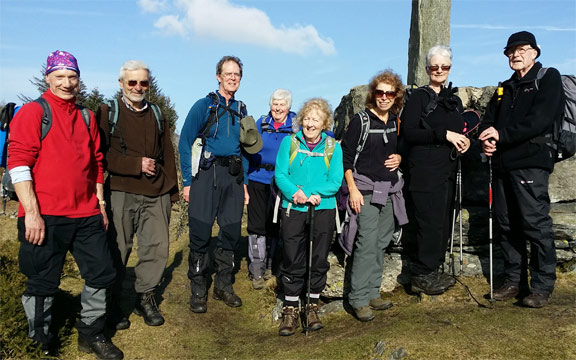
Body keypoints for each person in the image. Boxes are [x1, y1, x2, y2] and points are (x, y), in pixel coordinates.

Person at [7, 50, 123, 359]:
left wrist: (99, 203)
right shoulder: (33, 113)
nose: (67, 83)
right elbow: (18, 164)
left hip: (86, 213)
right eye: (60, 77)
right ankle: (38, 342)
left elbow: (97, 163)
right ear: (48, 78)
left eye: (72, 77)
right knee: (42, 281)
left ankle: (91, 333)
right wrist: (31, 213)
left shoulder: (85, 116)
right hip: (44, 214)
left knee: (101, 273)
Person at [478, 31, 563, 308]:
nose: (515, 54)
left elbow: (540, 120)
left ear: (534, 52)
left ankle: (541, 286)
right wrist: (488, 142)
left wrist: (501, 136)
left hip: (531, 162)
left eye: (521, 49)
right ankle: (514, 280)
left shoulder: (548, 78)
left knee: (534, 224)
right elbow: (489, 120)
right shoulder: (505, 87)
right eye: (510, 51)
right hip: (502, 164)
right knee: (506, 224)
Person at [97, 60, 179, 329]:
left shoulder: (156, 113)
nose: (138, 87)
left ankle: (146, 297)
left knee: (156, 248)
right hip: (121, 190)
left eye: (143, 82)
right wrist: (135, 164)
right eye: (132, 82)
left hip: (156, 192)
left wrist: (172, 191)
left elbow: (167, 151)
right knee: (118, 248)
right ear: (121, 83)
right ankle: (113, 303)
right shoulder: (108, 112)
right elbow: (100, 155)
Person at [179, 56, 250, 314]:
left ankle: (223, 285)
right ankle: (198, 288)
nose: (232, 78)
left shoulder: (242, 109)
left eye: (237, 74)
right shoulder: (204, 105)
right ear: (218, 76)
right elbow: (185, 142)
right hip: (205, 175)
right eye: (228, 73)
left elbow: (244, 149)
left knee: (231, 232)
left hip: (232, 176)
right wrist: (187, 181)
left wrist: (243, 182)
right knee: (199, 232)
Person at [401, 45, 470, 296]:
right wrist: (444, 134)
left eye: (445, 66)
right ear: (427, 68)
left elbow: (459, 130)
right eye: (434, 67)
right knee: (428, 223)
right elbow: (409, 132)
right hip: (424, 171)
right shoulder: (419, 97)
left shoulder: (453, 100)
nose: (439, 70)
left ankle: (433, 269)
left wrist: (464, 140)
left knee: (442, 222)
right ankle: (420, 275)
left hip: (447, 170)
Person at [341, 70, 408, 321]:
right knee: (366, 243)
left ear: (396, 96)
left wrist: (401, 157)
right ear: (373, 94)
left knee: (381, 242)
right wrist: (353, 189)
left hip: (390, 189)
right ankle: (357, 299)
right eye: (380, 92)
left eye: (389, 93)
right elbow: (345, 157)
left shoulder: (395, 121)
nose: (384, 97)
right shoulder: (361, 121)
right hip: (365, 190)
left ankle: (372, 292)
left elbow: (402, 149)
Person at [274, 98, 343, 336]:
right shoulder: (289, 143)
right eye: (307, 118)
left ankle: (312, 305)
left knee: (318, 257)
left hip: (323, 209)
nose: (310, 123)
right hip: (293, 208)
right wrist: (297, 193)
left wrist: (314, 194)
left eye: (315, 119)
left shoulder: (333, 146)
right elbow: (280, 174)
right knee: (292, 257)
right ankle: (291, 308)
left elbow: (335, 181)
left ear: (324, 123)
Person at [246, 89, 296, 289]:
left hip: (282, 181)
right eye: (275, 103)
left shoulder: (296, 125)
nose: (278, 108)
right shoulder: (262, 123)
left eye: (282, 104)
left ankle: (270, 266)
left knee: (275, 225)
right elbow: (246, 145)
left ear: (289, 107)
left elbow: (320, 133)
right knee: (257, 225)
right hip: (257, 178)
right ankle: (256, 270)